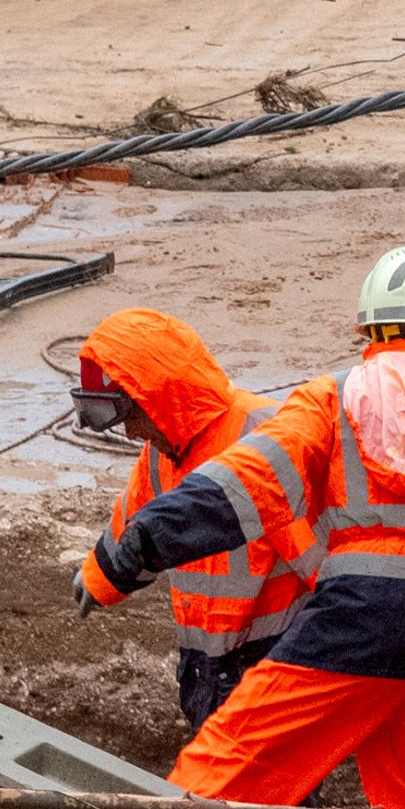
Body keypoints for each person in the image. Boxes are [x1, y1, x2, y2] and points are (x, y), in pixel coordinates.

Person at [84, 245, 405, 809]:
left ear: (372, 330)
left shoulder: (332, 399)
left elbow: (251, 482)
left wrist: (155, 535)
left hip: (361, 619)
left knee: (228, 760)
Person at [70, 307, 310, 735]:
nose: (131, 434)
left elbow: (325, 565)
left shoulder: (265, 439)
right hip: (207, 666)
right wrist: (99, 578)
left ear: (160, 398)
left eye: (132, 417)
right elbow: (134, 525)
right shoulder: (164, 454)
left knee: (267, 792)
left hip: (272, 665)